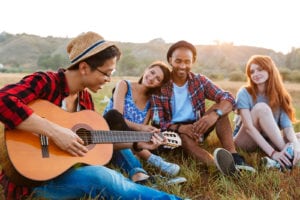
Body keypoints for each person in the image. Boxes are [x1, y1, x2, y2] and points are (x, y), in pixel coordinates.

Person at [0, 32, 183, 200]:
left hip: (65, 174)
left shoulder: (85, 100)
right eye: (107, 73)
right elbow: (3, 99)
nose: (108, 80)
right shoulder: (46, 82)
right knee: (103, 177)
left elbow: (98, 143)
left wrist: (138, 143)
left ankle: (143, 181)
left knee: (110, 177)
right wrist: (56, 132)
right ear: (84, 67)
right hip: (32, 182)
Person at [150, 40, 255, 175]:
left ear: (193, 61)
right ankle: (218, 167)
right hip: (172, 132)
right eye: (178, 61)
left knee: (221, 109)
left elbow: (228, 98)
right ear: (170, 60)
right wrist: (181, 128)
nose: (182, 66)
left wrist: (214, 115)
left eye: (187, 62)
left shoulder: (199, 81)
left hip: (197, 126)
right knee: (185, 137)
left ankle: (234, 156)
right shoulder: (161, 84)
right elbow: (158, 122)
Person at [103, 61, 181, 181]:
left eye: (157, 79)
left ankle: (143, 176)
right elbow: (116, 115)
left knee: (137, 139)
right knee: (115, 117)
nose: (151, 78)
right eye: (152, 72)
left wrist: (150, 133)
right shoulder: (124, 85)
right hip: (106, 132)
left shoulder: (151, 102)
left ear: (159, 85)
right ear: (146, 70)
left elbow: (139, 134)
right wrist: (140, 128)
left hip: (119, 145)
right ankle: (154, 160)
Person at [233, 55, 300, 170]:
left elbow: (288, 129)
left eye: (260, 69)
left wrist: (295, 144)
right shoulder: (244, 92)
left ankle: (277, 163)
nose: (255, 74)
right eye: (252, 71)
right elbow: (249, 128)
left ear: (270, 70)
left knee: (297, 138)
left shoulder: (280, 96)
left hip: (268, 140)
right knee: (261, 108)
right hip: (245, 141)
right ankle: (286, 156)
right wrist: (274, 153)